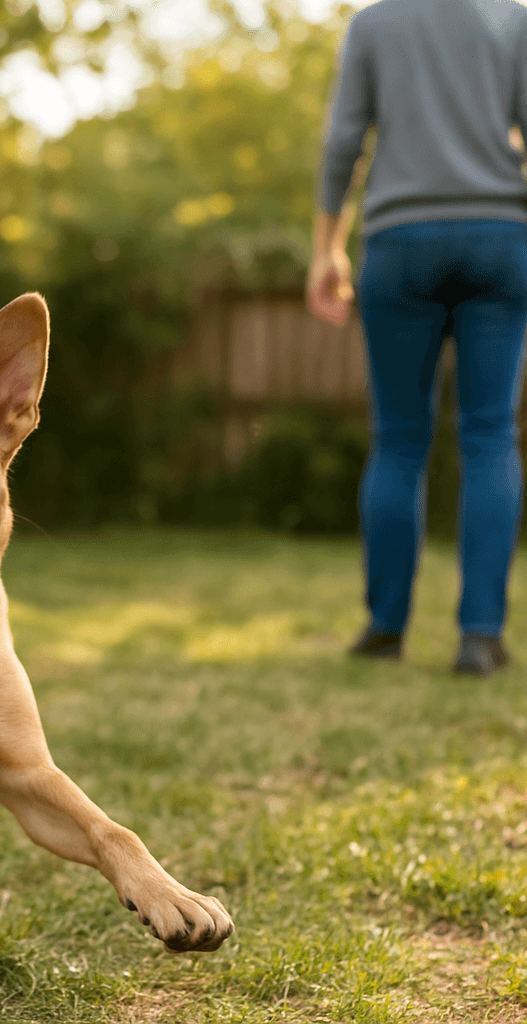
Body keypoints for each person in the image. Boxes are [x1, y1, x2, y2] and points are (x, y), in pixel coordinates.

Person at [306, 0, 527, 675]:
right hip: (500, 237)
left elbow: (343, 140)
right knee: (489, 434)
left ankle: (385, 630)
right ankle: (480, 637)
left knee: (399, 440)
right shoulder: (514, 20)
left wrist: (326, 249)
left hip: (400, 242)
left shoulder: (375, 24)